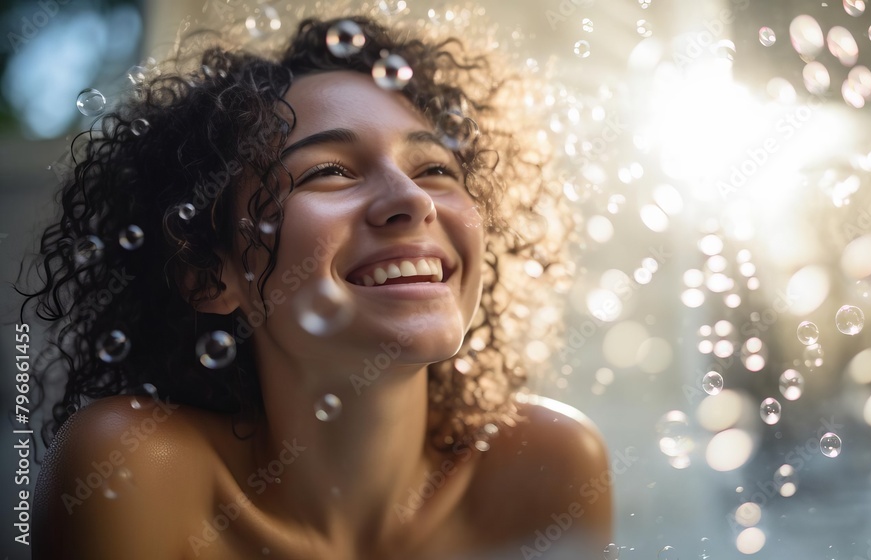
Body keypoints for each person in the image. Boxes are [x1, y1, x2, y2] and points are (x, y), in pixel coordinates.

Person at [19, 13, 612, 560]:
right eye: (328, 172)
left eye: (435, 169)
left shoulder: (548, 468)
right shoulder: (133, 467)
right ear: (208, 273)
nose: (412, 199)